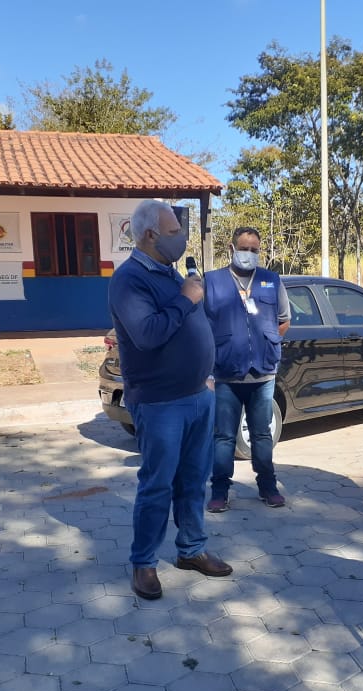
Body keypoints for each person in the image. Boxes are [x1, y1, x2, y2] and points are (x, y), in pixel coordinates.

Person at [108, 200, 232, 600]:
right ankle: (144, 562)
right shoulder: (129, 280)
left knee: (194, 480)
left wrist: (206, 376)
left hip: (197, 396)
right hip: (160, 403)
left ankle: (191, 550)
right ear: (150, 235)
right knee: (157, 485)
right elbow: (147, 334)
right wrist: (187, 298)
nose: (181, 238)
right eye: (174, 231)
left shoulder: (169, 272)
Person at [203, 227, 291, 512]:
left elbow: (284, 319)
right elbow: (200, 327)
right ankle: (219, 491)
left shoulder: (271, 280)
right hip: (225, 375)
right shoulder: (212, 281)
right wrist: (207, 371)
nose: (249, 254)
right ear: (231, 248)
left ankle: (268, 487)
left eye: (254, 250)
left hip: (262, 374)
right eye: (244, 249)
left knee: (262, 435)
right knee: (224, 437)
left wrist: (269, 343)